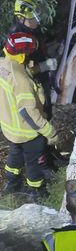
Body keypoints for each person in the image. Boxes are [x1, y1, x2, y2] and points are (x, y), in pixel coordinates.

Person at [0, 32, 58, 200]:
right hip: (28, 131)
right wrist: (49, 132)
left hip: (11, 128)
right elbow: (29, 112)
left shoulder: (3, 65)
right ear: (22, 55)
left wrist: (42, 67)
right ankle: (37, 192)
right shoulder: (22, 81)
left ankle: (11, 183)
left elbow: (22, 71)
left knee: (15, 154)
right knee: (35, 162)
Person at [11, 0, 58, 120]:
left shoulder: (33, 29)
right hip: (31, 90)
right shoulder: (16, 40)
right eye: (32, 17)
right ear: (20, 18)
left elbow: (39, 49)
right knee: (37, 118)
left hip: (42, 82)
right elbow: (19, 75)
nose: (37, 20)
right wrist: (43, 67)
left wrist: (50, 50)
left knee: (47, 113)